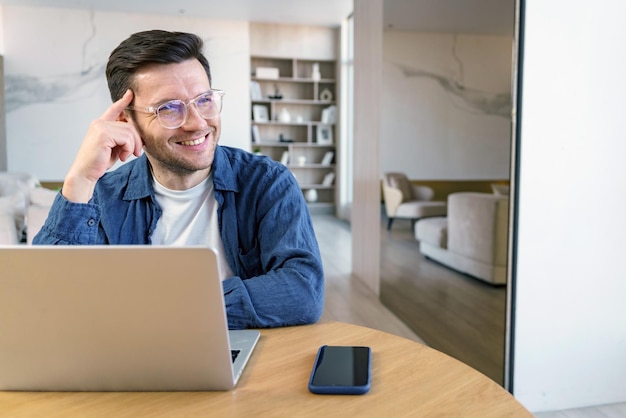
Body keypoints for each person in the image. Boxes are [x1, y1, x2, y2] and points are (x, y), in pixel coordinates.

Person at [34, 30, 324, 330]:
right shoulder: (103, 196)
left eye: (204, 100)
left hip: (241, 353)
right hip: (133, 359)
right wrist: (80, 178)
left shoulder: (267, 182)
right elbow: (48, 300)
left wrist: (169, 311)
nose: (197, 123)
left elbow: (302, 290)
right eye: (169, 109)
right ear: (125, 120)